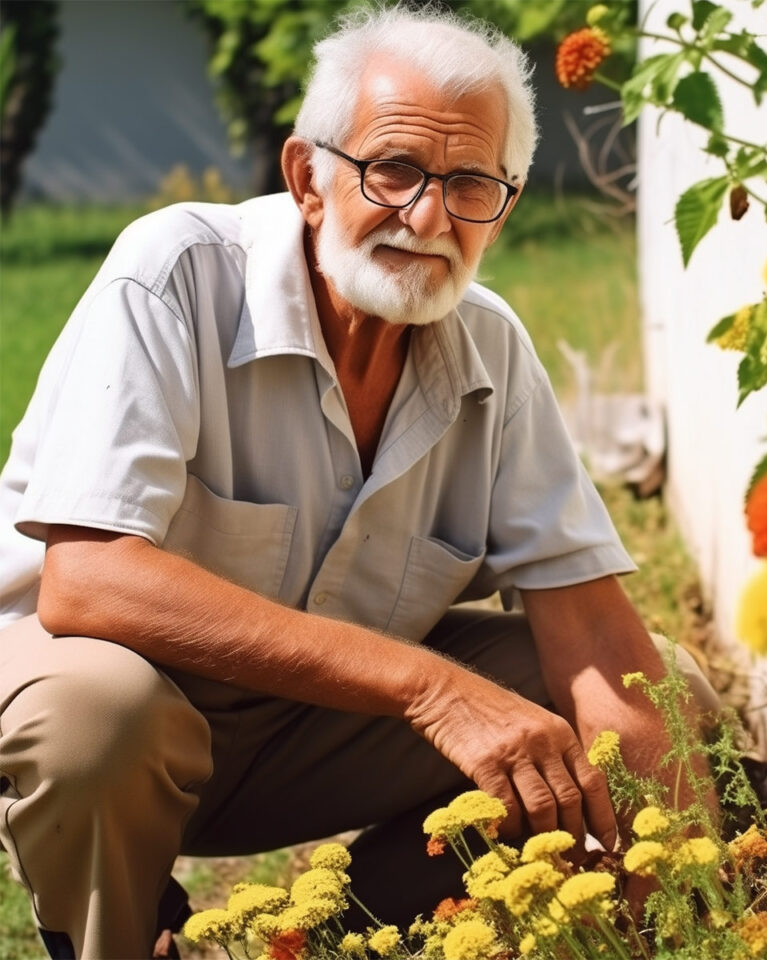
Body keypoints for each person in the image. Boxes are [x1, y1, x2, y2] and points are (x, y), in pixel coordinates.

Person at [0, 7, 713, 958]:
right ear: (307, 178)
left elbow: (590, 626)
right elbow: (89, 579)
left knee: (657, 694)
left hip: (317, 733)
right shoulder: (177, 271)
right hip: (106, 728)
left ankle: (336, 943)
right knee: (99, 720)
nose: (429, 218)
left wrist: (695, 889)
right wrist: (432, 689)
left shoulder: (489, 347)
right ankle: (119, 942)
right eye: (395, 171)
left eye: (472, 184)